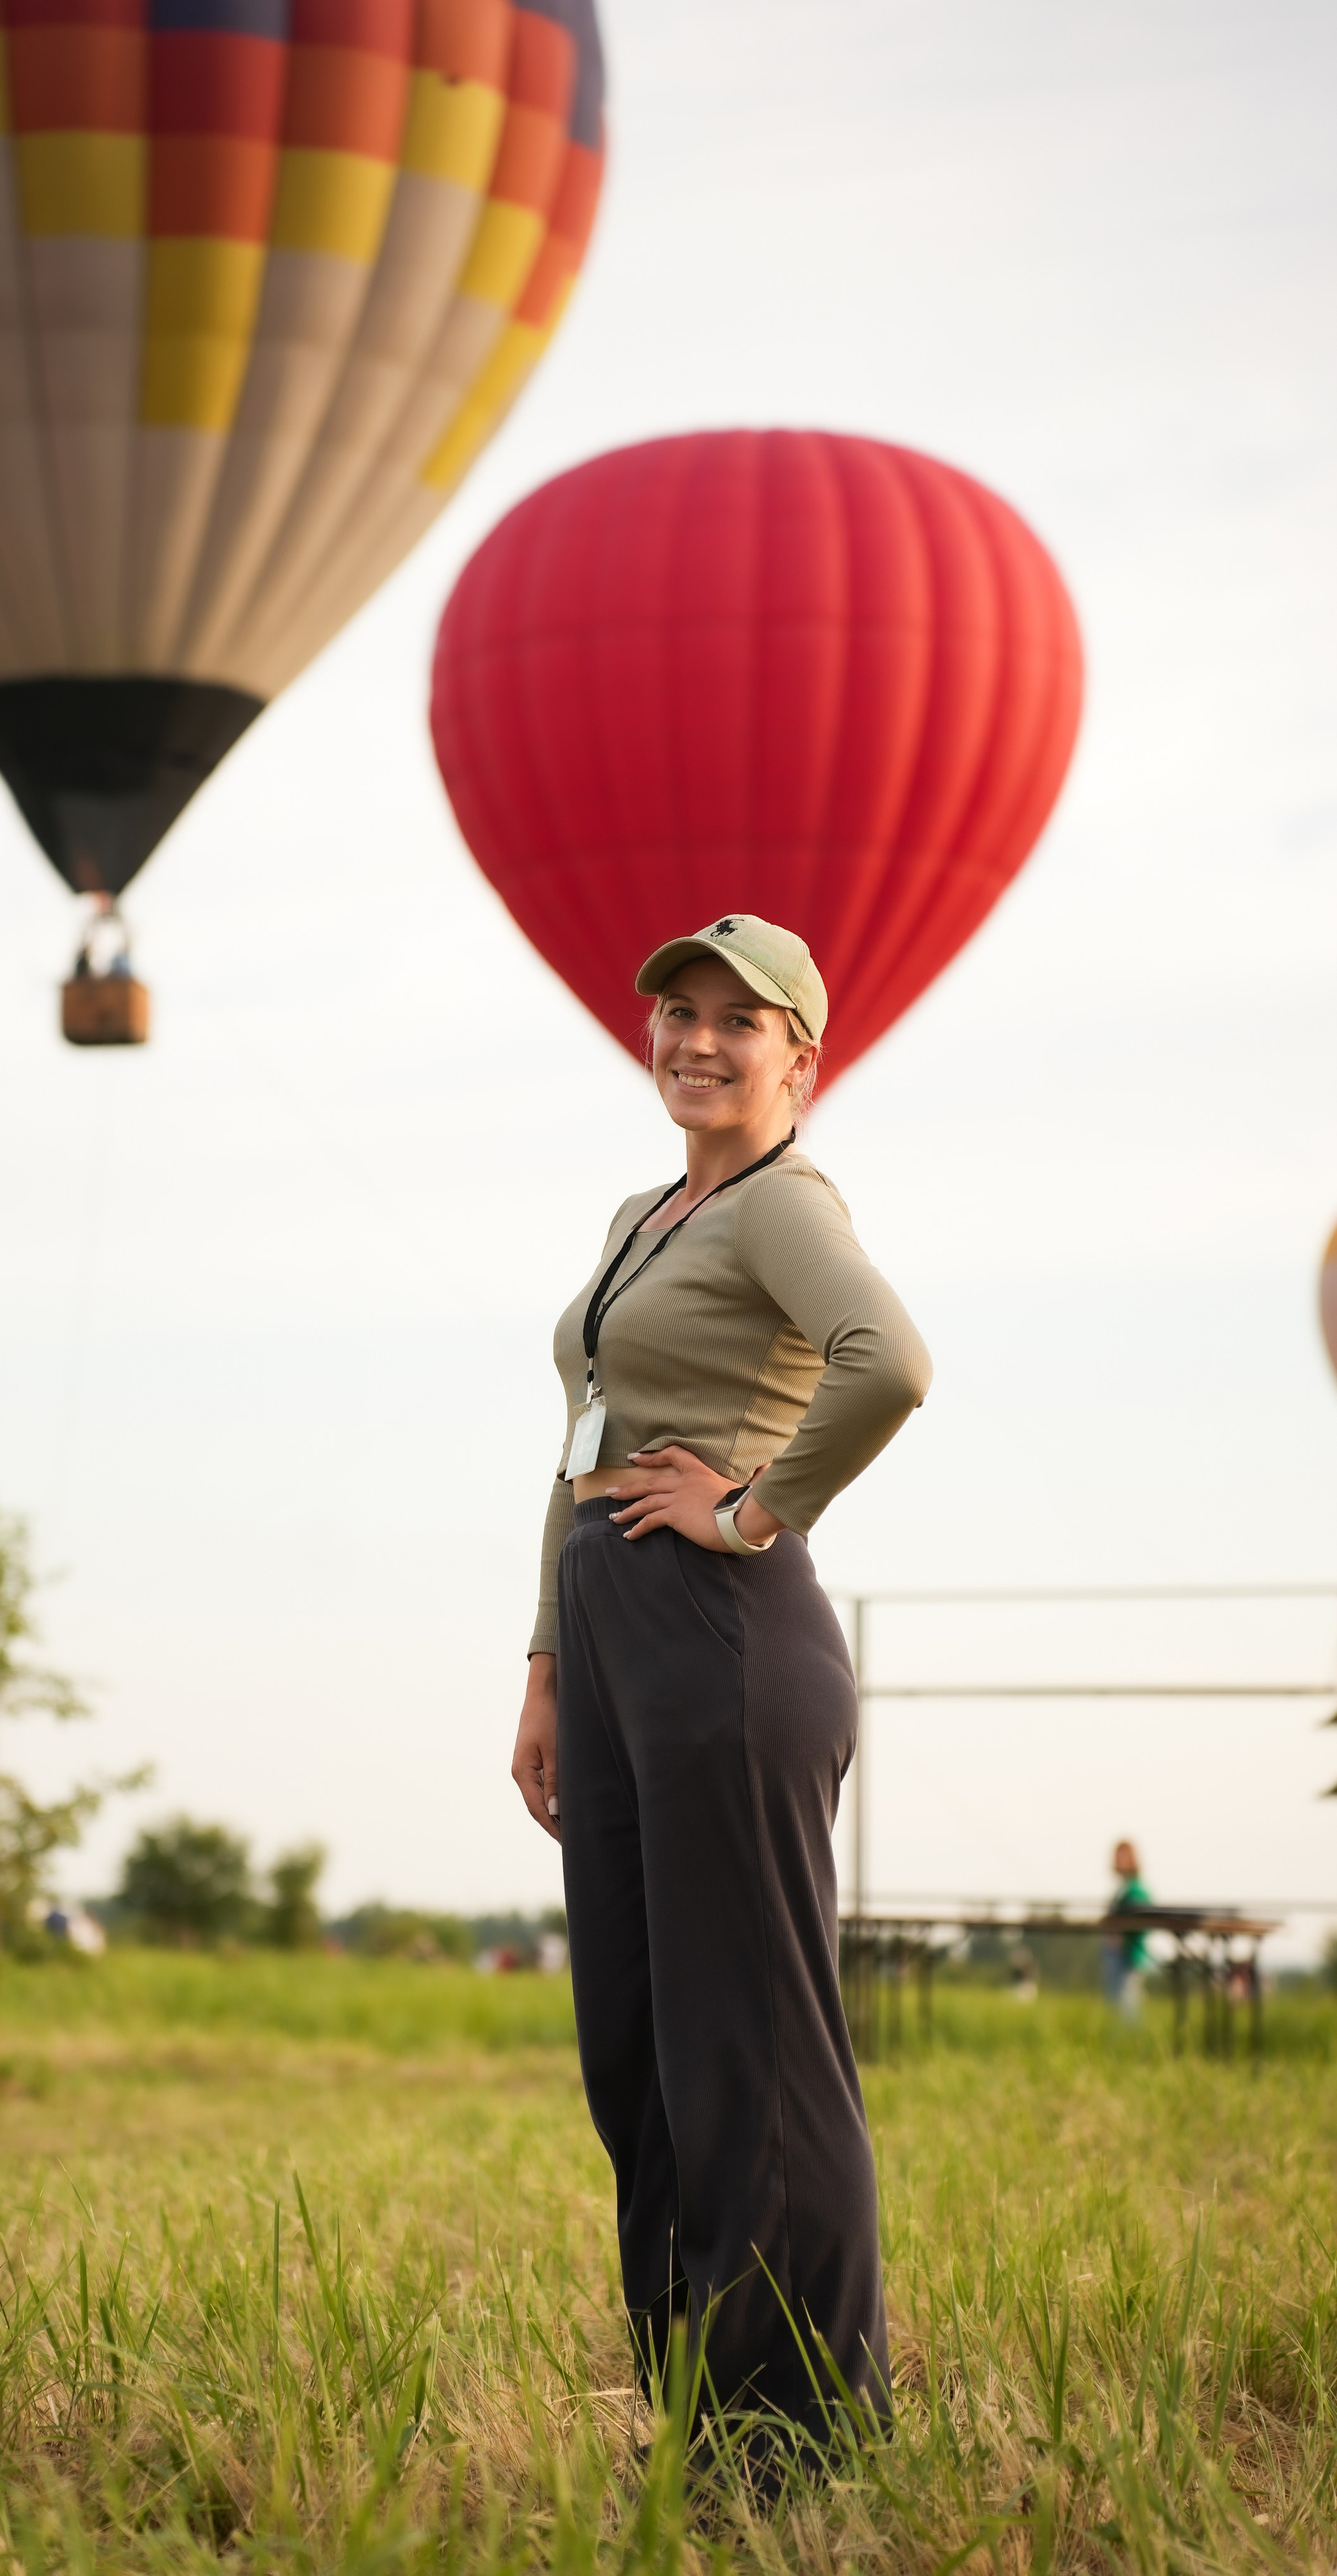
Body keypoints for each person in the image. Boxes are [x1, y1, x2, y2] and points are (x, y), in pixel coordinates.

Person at [509, 914, 932, 2471]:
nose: (691, 1038)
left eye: (731, 1021)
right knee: (631, 2042)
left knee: (742, 2046)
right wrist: (548, 1661)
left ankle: (801, 2438)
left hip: (722, 1630)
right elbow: (583, 1433)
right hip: (614, 1622)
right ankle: (698, 2407)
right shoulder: (646, 1210)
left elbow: (883, 1358)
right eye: (672, 1012)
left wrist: (754, 1507)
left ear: (797, 1058)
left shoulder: (778, 1204)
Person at [1105, 1839, 1152, 2020]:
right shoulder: (1124, 1888)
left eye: (1122, 1856)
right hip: (1117, 1954)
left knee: (1127, 2005)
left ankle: (1130, 2041)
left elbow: (1142, 1921)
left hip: (1129, 1955)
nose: (1118, 1860)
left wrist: (1122, 1936)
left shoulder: (1136, 1889)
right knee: (1116, 2005)